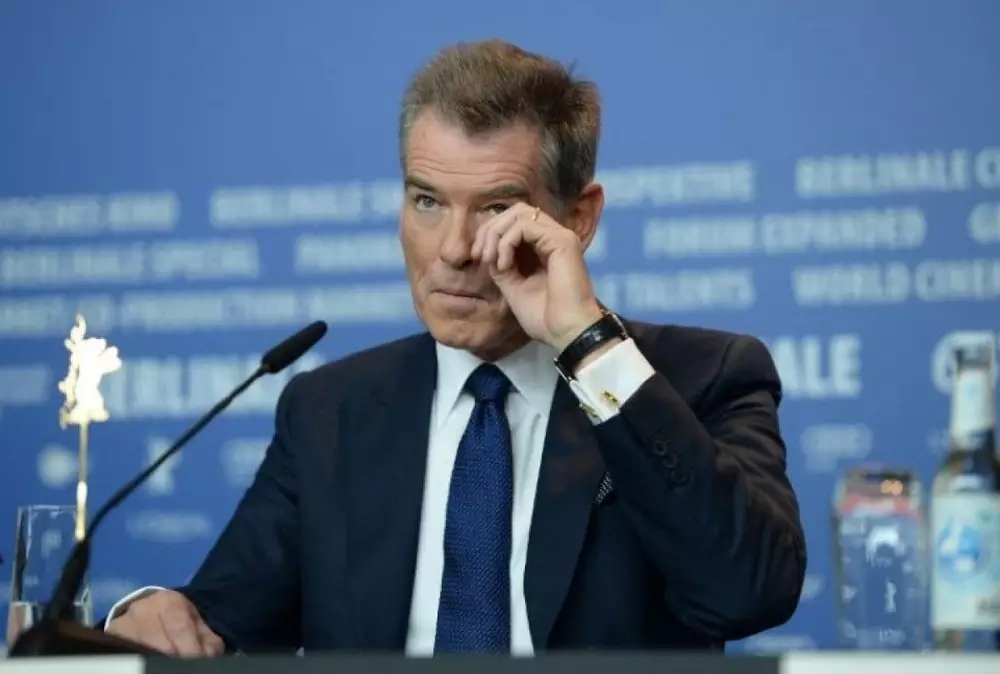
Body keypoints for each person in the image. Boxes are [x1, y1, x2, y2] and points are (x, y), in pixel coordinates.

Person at [104, 39, 807, 657]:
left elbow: (748, 592)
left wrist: (589, 344)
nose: (455, 250)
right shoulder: (330, 409)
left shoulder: (698, 378)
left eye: (497, 209)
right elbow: (217, 616)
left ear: (578, 219)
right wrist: (153, 613)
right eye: (427, 201)